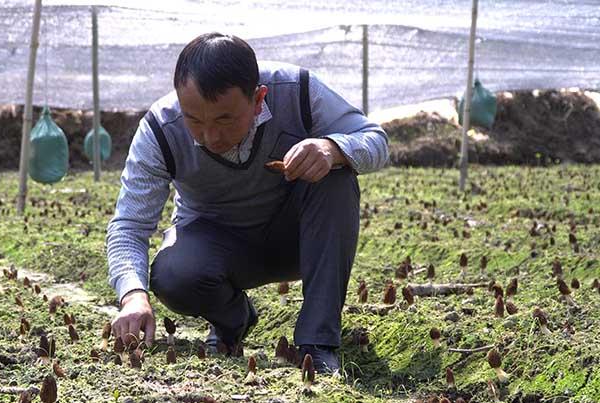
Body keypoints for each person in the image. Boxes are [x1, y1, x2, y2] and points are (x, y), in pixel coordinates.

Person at [106, 32, 388, 373]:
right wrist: (133, 294)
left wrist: (333, 149)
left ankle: (318, 343)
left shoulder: (297, 91)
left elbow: (376, 140)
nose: (210, 137)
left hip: (299, 240)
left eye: (224, 119)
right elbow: (129, 225)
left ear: (258, 100)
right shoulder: (160, 128)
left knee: (337, 176)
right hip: (218, 248)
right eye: (194, 120)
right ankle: (233, 320)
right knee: (172, 274)